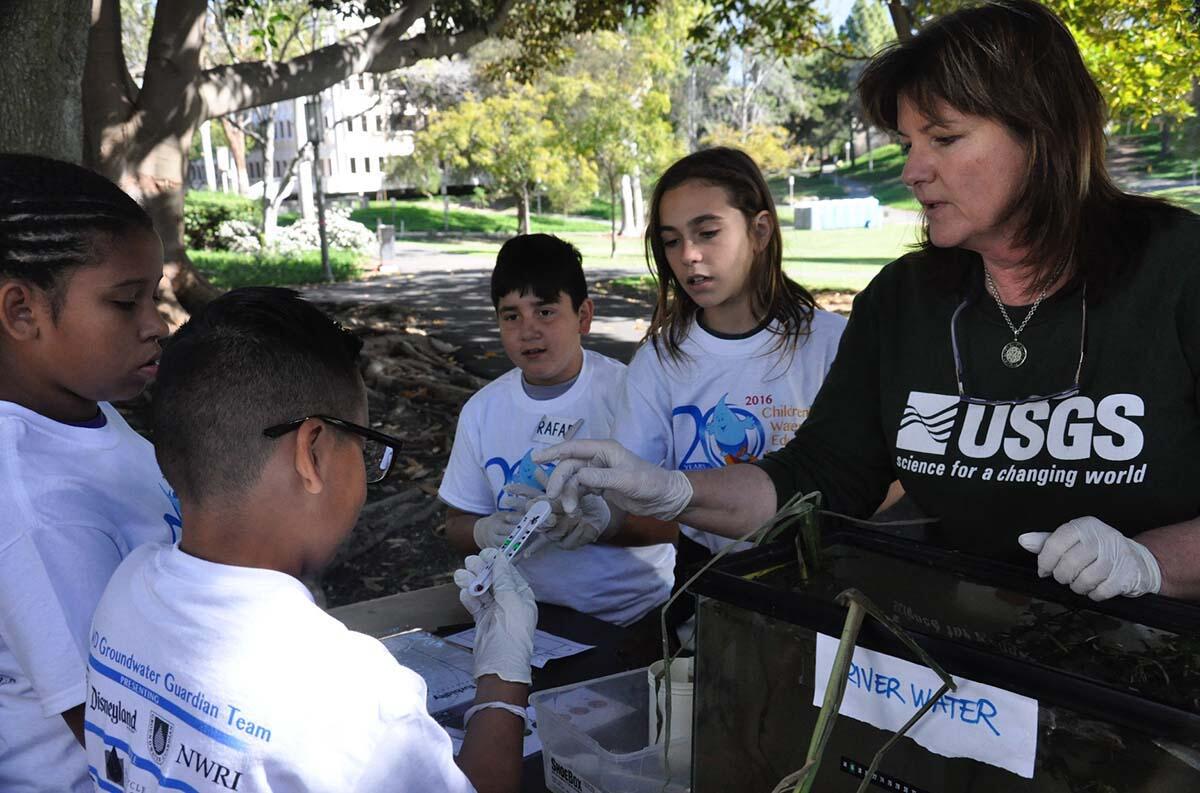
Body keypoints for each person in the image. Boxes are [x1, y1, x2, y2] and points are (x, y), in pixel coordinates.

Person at [536, 0, 1200, 602]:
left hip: (1158, 687)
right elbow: (819, 476)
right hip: (970, 667)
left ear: (1044, 133)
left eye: (944, 138)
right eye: (908, 143)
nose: (913, 170)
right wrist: (676, 489)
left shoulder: (1178, 270)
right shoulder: (905, 302)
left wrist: (1151, 561)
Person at [84, 287, 536, 793]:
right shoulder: (353, 694)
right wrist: (503, 674)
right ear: (312, 452)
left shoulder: (124, 587)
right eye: (365, 448)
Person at [0, 154, 176, 793]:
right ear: (22, 311)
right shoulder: (27, 501)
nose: (155, 325)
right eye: (126, 302)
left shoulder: (85, 406)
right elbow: (115, 734)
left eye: (152, 295)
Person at [608, 147, 846, 570]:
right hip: (709, 585)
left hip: (832, 577)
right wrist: (592, 516)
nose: (688, 256)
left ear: (760, 231)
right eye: (671, 241)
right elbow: (632, 495)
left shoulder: (833, 343)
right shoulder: (659, 360)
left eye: (707, 232)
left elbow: (886, 482)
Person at [439, 233, 674, 626]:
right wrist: (484, 531)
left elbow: (678, 524)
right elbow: (456, 524)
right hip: (519, 617)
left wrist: (605, 522)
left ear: (583, 315)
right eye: (511, 315)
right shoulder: (482, 410)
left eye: (545, 311)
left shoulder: (631, 393)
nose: (528, 331)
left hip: (633, 616)